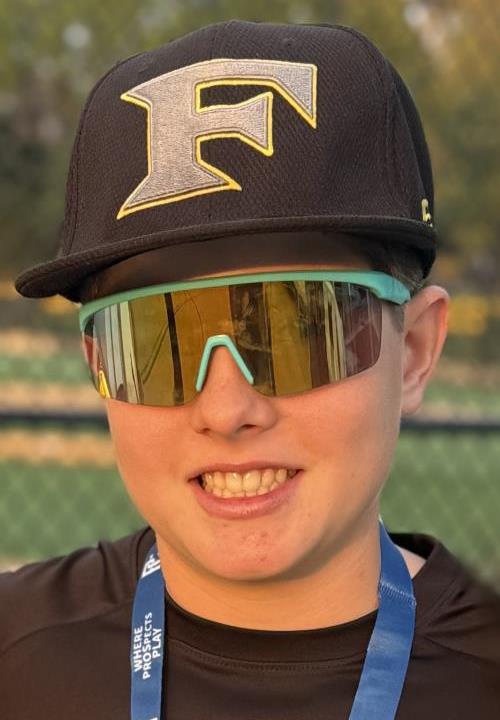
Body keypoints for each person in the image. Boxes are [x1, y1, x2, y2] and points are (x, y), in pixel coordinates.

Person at [3, 19, 500, 720]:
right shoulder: (16, 657)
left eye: (298, 331)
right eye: (158, 340)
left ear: (415, 351)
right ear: (98, 367)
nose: (226, 409)